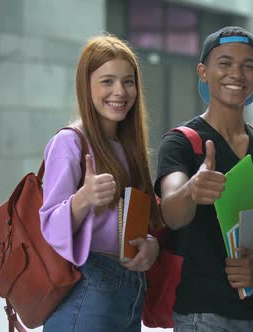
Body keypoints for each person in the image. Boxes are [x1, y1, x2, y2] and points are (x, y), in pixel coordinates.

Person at [155, 26, 253, 332]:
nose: (236, 73)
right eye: (224, 63)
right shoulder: (182, 142)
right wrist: (191, 190)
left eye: (248, 66)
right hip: (204, 316)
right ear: (203, 72)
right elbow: (172, 214)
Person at [39, 35, 162, 331]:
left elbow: (135, 221)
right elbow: (48, 227)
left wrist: (151, 245)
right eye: (107, 81)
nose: (120, 91)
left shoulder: (129, 146)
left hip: (128, 293)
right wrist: (83, 199)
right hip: (86, 292)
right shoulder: (69, 142)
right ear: (87, 86)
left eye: (128, 81)